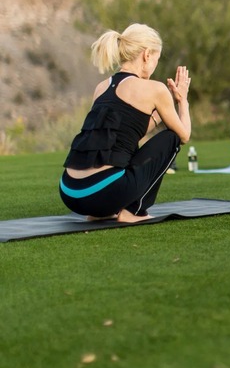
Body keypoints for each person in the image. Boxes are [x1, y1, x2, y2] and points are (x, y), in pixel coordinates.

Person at [59, 23, 191, 223]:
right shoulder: (155, 89)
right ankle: (134, 212)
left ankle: (100, 213)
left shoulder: (101, 87)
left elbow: (122, 134)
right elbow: (184, 135)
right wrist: (182, 101)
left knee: (125, 149)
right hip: (103, 193)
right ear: (147, 55)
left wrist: (159, 114)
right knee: (171, 138)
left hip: (70, 193)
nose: (155, 65)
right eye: (156, 59)